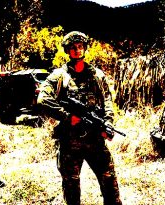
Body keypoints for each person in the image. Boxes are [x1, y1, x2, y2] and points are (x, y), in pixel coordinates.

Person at [37, 31, 122, 205]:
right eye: (73, 48)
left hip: (95, 140)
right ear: (67, 51)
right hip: (70, 142)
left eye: (80, 47)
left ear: (85, 49)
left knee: (110, 183)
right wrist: (67, 117)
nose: (77, 50)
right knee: (72, 188)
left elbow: (107, 101)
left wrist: (108, 124)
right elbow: (43, 99)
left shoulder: (97, 76)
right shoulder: (59, 76)